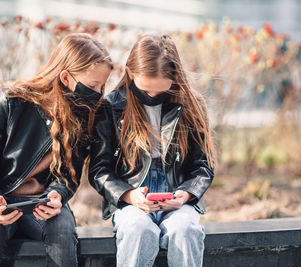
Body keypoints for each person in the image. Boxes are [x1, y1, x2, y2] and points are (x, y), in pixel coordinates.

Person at [0, 33, 113, 267]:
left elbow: (69, 174)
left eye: (103, 85)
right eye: (93, 85)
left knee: (63, 232)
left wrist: (57, 195)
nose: (99, 93)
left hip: (41, 202)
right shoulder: (12, 101)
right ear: (65, 77)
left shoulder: (88, 112)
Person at [89, 34, 215, 267]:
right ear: (130, 73)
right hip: (130, 195)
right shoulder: (111, 106)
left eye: (161, 92)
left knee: (186, 230)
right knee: (138, 229)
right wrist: (128, 195)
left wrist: (185, 195)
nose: (152, 97)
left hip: (178, 195)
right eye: (145, 90)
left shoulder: (192, 104)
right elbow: (99, 170)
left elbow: (203, 166)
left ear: (175, 78)